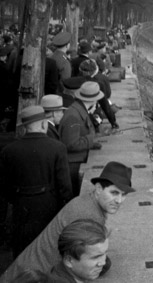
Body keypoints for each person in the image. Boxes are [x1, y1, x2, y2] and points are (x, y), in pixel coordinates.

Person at [0, 162, 134, 283]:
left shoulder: (86, 201)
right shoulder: (89, 215)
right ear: (98, 188)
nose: (119, 200)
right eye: (114, 193)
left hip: (26, 270)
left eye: (124, 194)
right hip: (33, 276)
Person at [0, 106, 72, 258]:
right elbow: (65, 186)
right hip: (49, 206)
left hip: (21, 206)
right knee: (48, 249)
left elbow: (5, 188)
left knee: (22, 249)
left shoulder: (8, 150)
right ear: (44, 124)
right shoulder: (58, 148)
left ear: (25, 127)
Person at [59, 82, 103, 198]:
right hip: (73, 166)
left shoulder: (78, 110)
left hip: (76, 162)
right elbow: (70, 144)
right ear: (93, 100)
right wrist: (90, 140)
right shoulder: (73, 115)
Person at [78, 60, 118, 130]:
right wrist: (113, 121)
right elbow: (105, 105)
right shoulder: (98, 84)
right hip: (91, 114)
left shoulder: (73, 82)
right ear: (95, 70)